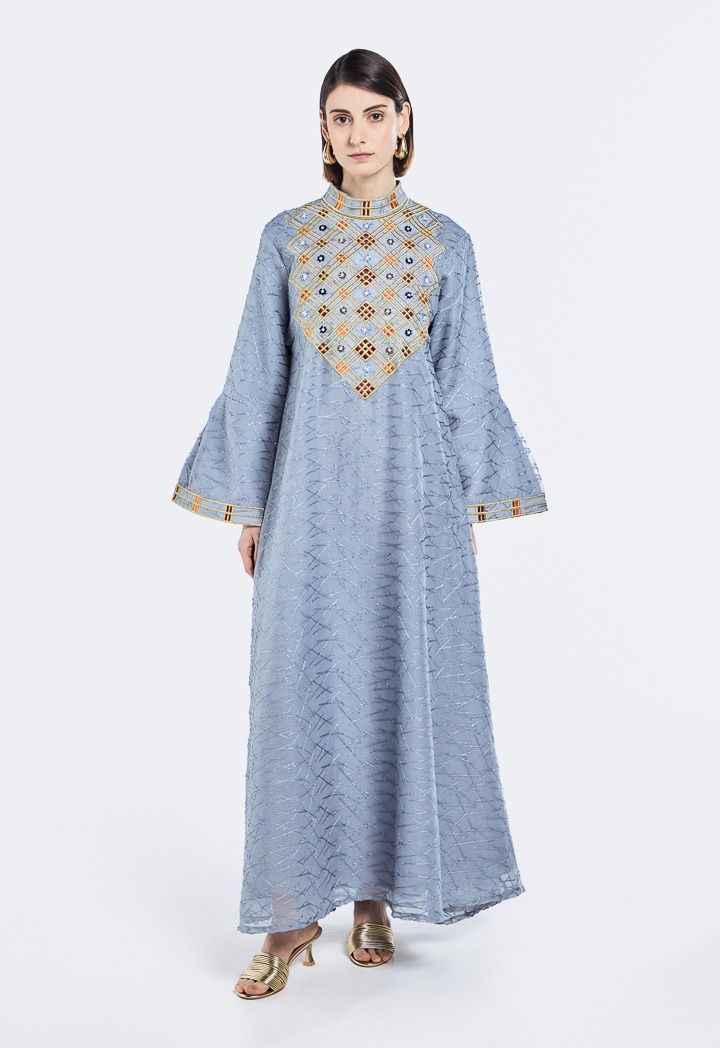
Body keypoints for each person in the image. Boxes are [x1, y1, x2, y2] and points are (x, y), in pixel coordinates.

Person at [171, 48, 549, 1000]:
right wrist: (250, 504)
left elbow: (468, 379)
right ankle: (291, 913)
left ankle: (376, 895)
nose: (358, 134)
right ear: (323, 130)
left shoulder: (446, 244)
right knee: (301, 684)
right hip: (307, 496)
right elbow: (258, 372)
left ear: (404, 121)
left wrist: (468, 500)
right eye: (341, 117)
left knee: (395, 676)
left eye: (374, 115)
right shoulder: (288, 239)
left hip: (413, 501)